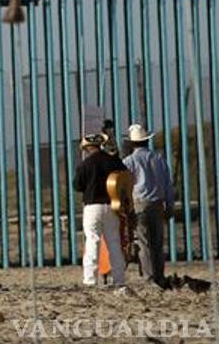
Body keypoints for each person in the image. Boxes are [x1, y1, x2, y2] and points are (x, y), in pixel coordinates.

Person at [122, 123, 175, 287]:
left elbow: (125, 185)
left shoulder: (129, 161)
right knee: (158, 243)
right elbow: (168, 184)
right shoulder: (159, 159)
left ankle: (149, 277)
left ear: (132, 143)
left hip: (140, 204)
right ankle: (160, 275)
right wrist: (170, 206)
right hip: (158, 204)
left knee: (144, 243)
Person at [73, 133, 128, 287]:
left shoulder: (85, 164)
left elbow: (77, 186)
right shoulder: (114, 161)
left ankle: (90, 280)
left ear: (87, 147)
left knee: (92, 240)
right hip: (112, 205)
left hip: (92, 206)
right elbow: (125, 178)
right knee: (114, 242)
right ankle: (119, 280)